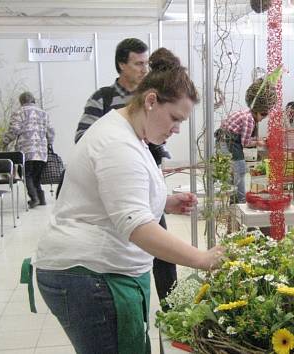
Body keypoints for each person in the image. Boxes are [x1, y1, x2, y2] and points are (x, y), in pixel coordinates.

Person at [33, 55, 223, 354]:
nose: (176, 129)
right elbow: (136, 225)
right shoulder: (116, 144)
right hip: (90, 275)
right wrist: (201, 259)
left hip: (98, 271)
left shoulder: (131, 133)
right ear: (151, 101)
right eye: (175, 118)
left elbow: (116, 197)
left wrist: (165, 203)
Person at [73, 41, 180, 311]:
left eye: (147, 63)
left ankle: (173, 307)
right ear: (122, 64)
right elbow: (83, 138)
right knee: (131, 240)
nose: (145, 69)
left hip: (149, 184)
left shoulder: (152, 94)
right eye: (138, 63)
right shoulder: (104, 98)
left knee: (163, 252)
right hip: (118, 185)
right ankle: (122, 300)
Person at [217, 84, 272, 204]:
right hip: (229, 142)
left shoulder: (247, 111)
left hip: (224, 140)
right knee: (240, 170)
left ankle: (234, 198)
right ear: (257, 111)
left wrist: (257, 140)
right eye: (262, 115)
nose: (262, 118)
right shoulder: (250, 119)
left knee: (232, 171)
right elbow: (245, 142)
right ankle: (240, 200)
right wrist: (258, 142)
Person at [3, 91, 55, 208]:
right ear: (33, 100)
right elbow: (51, 131)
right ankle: (41, 199)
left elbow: (14, 130)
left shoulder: (18, 113)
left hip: (26, 150)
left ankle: (34, 198)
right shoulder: (43, 113)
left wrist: (5, 141)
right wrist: (49, 143)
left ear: (21, 101)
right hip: (42, 151)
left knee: (26, 175)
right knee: (36, 176)